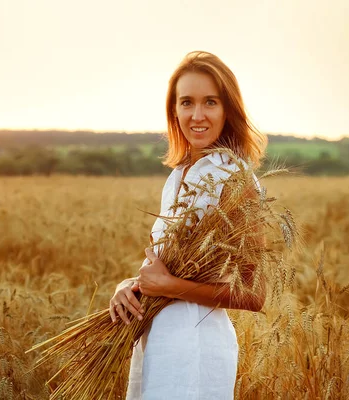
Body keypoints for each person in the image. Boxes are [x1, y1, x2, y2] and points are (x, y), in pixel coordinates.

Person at [109, 51, 268, 400]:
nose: (197, 115)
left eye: (210, 102)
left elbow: (254, 295)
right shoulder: (177, 177)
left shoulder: (235, 180)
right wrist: (131, 286)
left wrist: (168, 285)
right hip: (157, 343)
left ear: (228, 109)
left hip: (196, 351)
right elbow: (166, 270)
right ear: (174, 111)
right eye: (186, 102)